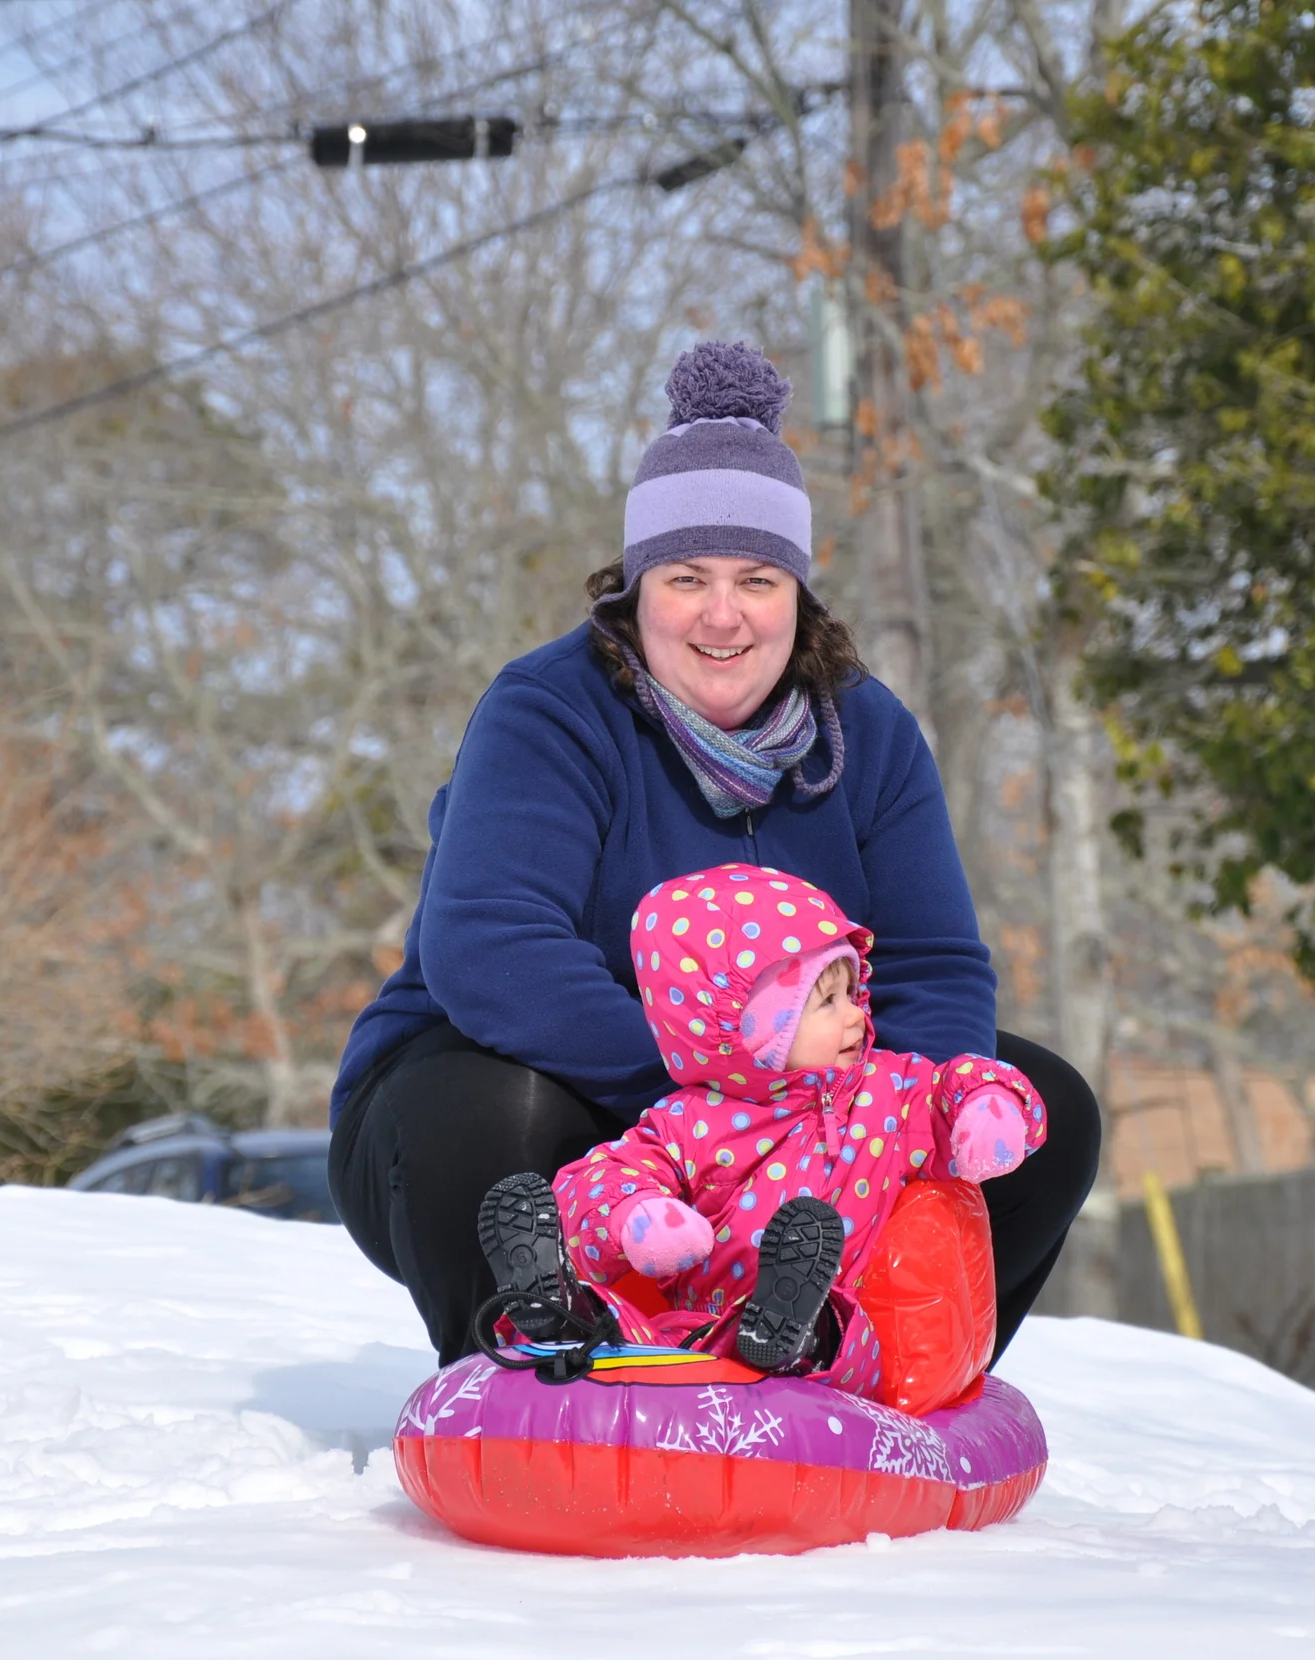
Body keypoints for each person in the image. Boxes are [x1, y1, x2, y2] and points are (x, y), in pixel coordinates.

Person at [327, 339, 1102, 1365]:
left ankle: (863, 1357)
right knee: (496, 1110)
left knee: (1034, 1099)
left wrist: (872, 1120)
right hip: (543, 1099)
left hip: (812, 1129)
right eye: (686, 576)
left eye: (758, 577)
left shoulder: (866, 735)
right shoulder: (550, 711)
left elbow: (934, 965)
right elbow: (492, 948)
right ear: (637, 587)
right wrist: (712, 1099)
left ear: (800, 594)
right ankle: (539, 1356)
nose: (723, 613)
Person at [477, 863, 1043, 1398]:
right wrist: (636, 1217)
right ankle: (558, 1312)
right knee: (640, 1337)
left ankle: (791, 1335)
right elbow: (603, 1176)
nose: (855, 1015)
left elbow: (949, 1087)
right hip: (699, 1330)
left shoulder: (888, 1093)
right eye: (826, 1002)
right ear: (743, 1027)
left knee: (834, 1330)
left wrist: (986, 1105)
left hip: (844, 1327)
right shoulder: (691, 1121)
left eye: (852, 993)